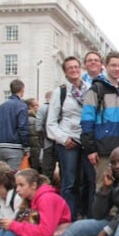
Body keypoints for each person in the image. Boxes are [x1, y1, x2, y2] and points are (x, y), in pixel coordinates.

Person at [48, 56, 95, 220]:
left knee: (89, 180)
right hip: (68, 140)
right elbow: (51, 123)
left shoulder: (90, 89)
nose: (74, 70)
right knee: (69, 182)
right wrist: (63, 139)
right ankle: (69, 217)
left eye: (76, 67)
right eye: (70, 68)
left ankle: (89, 216)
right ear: (65, 72)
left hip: (86, 140)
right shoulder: (59, 92)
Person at [81, 51, 119, 186]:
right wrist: (91, 149)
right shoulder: (96, 89)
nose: (117, 69)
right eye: (113, 65)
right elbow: (87, 120)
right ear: (105, 66)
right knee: (103, 187)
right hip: (103, 148)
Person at [0, 79, 30, 171]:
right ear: (22, 89)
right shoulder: (21, 106)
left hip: (0, 146)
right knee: (13, 176)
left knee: (2, 177)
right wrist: (26, 146)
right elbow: (22, 127)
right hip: (14, 146)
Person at [36, 90, 57, 179]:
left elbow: (38, 127)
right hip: (61, 142)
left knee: (47, 169)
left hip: (48, 142)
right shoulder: (59, 106)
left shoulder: (42, 108)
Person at [24, 98, 41, 172]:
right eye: (36, 105)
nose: (38, 107)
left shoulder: (24, 118)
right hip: (35, 150)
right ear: (31, 107)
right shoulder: (34, 120)